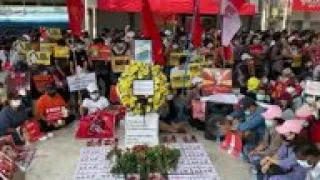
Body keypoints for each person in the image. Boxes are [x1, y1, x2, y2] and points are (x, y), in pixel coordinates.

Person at [249, 105, 284, 180]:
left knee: (257, 161)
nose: (266, 120)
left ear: (276, 119)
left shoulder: (280, 132)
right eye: (266, 118)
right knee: (249, 151)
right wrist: (256, 150)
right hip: (269, 152)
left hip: (276, 156)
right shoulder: (269, 127)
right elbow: (265, 142)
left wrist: (257, 153)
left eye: (268, 118)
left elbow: (272, 151)